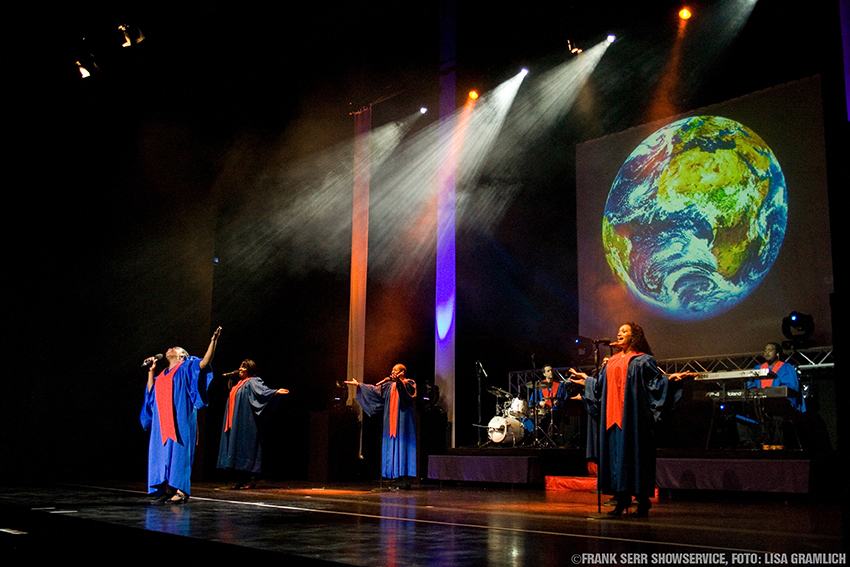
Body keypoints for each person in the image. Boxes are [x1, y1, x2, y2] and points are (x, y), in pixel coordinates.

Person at [583, 323, 667, 517]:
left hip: (633, 420)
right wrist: (587, 382)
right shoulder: (611, 362)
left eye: (624, 331)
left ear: (634, 336)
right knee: (615, 461)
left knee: (635, 460)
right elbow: (600, 387)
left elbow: (655, 384)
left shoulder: (643, 361)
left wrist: (669, 381)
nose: (619, 333)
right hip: (612, 420)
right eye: (619, 331)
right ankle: (621, 501)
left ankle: (643, 502)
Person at [141, 326, 221, 504]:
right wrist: (151, 371)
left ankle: (181, 490)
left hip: (180, 420)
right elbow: (151, 394)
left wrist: (213, 342)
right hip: (162, 423)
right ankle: (166, 489)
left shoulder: (186, 367)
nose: (170, 348)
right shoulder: (162, 375)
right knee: (162, 454)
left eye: (175, 348)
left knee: (179, 454)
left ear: (182, 355)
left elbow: (204, 363)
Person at [217, 359, 289, 488]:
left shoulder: (253, 381)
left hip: (246, 422)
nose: (240, 369)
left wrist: (274, 392)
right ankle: (241, 479)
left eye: (244, 367)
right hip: (234, 422)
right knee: (236, 449)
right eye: (240, 366)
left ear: (250, 370)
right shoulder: (239, 383)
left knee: (246, 448)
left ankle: (251, 478)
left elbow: (262, 392)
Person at [346, 364, 417, 490]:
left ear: (402, 372)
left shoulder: (409, 383)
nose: (392, 372)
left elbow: (407, 397)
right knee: (392, 446)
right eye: (392, 370)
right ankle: (396, 478)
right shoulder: (389, 385)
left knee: (403, 447)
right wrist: (359, 385)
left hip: (403, 422)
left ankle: (405, 479)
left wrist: (399, 382)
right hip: (390, 422)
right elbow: (374, 389)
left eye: (395, 370)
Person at [747, 342, 805, 412]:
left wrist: (772, 392)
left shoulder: (786, 367)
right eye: (765, 350)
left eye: (770, 350)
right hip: (759, 405)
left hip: (781, 406)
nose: (767, 352)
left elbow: (791, 387)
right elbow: (750, 383)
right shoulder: (757, 368)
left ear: (777, 353)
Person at [529, 365, 568, 445]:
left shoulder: (560, 385)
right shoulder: (540, 386)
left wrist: (558, 403)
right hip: (543, 411)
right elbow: (532, 401)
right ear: (544, 374)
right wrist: (539, 402)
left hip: (556, 411)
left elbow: (566, 400)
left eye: (551, 370)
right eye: (548, 371)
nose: (551, 372)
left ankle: (553, 439)